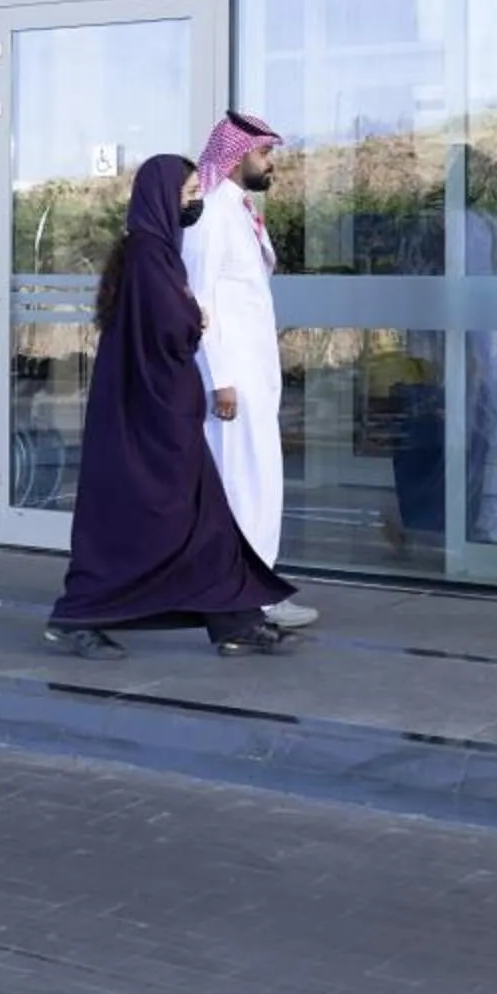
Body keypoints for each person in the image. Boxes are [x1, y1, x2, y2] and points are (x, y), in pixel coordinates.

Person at [45, 155, 296, 659]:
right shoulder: (148, 256)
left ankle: (234, 619)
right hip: (151, 419)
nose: (191, 202)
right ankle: (78, 616)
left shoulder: (154, 252)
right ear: (160, 198)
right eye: (183, 195)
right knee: (144, 520)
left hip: (163, 413)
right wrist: (194, 315)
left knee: (205, 517)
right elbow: (168, 324)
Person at [187, 111, 313, 629]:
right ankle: (247, 598)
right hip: (231, 379)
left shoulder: (238, 209)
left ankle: (253, 590)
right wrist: (219, 378)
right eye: (264, 154)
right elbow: (200, 301)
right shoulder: (213, 213)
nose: (270, 164)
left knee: (259, 482)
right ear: (238, 156)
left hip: (253, 374)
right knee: (242, 484)